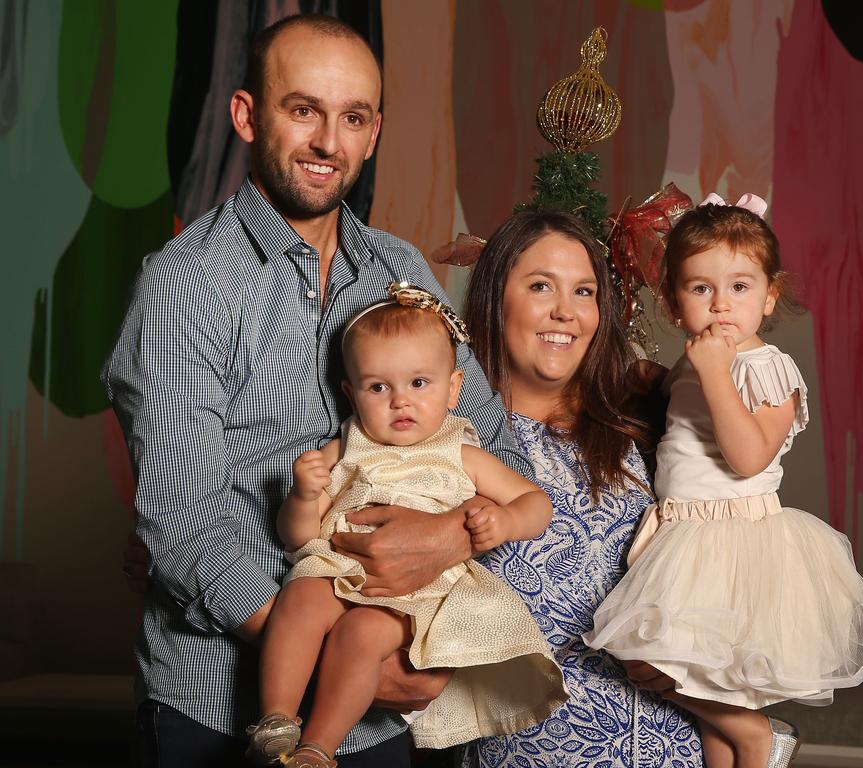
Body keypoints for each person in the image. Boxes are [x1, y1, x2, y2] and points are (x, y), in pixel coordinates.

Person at [103, 14, 528, 767]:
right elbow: (183, 517)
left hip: (376, 720)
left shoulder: (400, 272)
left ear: (373, 133)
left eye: (353, 117)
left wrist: (444, 543)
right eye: (304, 110)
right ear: (246, 115)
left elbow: (487, 444)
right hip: (218, 700)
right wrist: (347, 656)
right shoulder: (185, 284)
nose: (329, 142)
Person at [584, 193, 863, 768]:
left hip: (733, 542)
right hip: (685, 534)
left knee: (658, 665)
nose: (721, 305)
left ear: (770, 294)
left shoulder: (766, 367)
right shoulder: (697, 358)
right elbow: (676, 420)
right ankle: (745, 744)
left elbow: (749, 456)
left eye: (740, 286)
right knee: (708, 713)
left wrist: (712, 373)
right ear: (674, 302)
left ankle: (760, 735)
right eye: (701, 288)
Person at [248, 285, 565, 767]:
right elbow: (298, 537)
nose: (400, 401)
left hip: (418, 592)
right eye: (379, 387)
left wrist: (503, 519)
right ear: (350, 394)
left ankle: (317, 748)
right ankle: (276, 721)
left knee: (362, 635)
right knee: (301, 597)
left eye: (420, 383)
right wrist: (303, 496)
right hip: (338, 569)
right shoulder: (346, 448)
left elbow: (537, 502)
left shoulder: (463, 453)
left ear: (454, 388)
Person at [459, 210, 704, 767]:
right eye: (541, 286)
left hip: (675, 746)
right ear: (496, 298)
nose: (566, 312)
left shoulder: (640, 429)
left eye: (585, 291)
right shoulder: (453, 441)